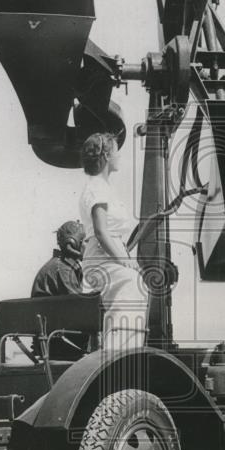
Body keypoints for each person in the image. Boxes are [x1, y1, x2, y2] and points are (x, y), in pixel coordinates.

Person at [78, 132, 146, 351]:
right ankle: (116, 352)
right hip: (100, 258)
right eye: (116, 152)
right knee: (130, 281)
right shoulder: (97, 188)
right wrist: (124, 261)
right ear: (106, 155)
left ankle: (129, 349)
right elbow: (101, 231)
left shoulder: (104, 188)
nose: (119, 157)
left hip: (109, 254)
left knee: (136, 283)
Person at [30, 220, 86, 297]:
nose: (90, 245)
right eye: (87, 241)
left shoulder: (61, 265)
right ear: (74, 244)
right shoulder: (63, 268)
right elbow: (79, 304)